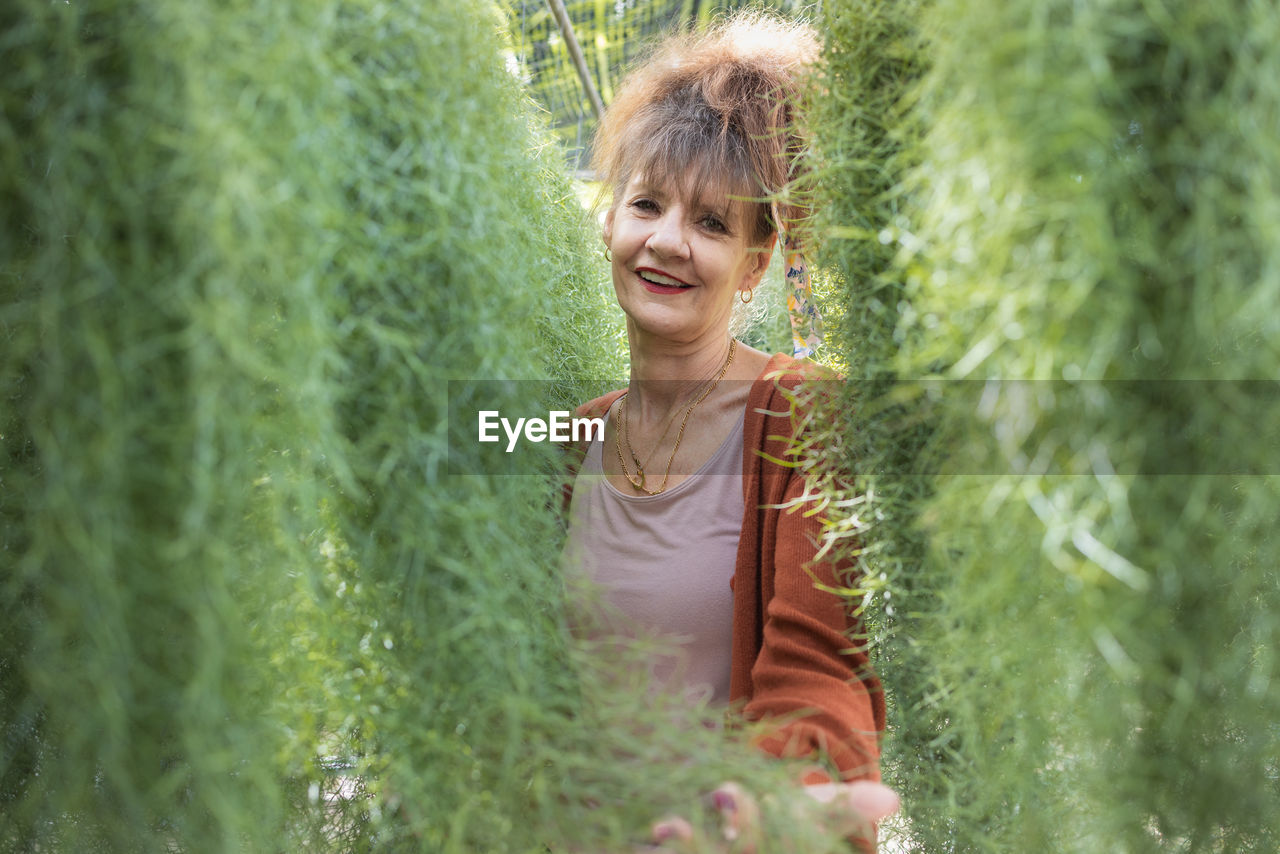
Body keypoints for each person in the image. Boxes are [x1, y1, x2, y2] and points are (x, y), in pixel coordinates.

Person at [560, 12, 897, 851]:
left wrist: (782, 804)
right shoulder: (571, 443)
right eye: (647, 204)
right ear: (610, 224)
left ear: (754, 264)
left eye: (712, 222)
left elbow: (819, 667)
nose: (667, 241)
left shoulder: (806, 420)